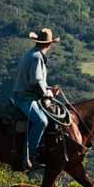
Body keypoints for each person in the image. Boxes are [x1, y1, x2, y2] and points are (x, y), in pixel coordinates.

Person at [12, 28, 60, 170]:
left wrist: (48, 88)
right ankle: (29, 156)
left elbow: (37, 81)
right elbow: (36, 81)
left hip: (27, 94)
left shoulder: (32, 54)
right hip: (25, 98)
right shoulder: (37, 57)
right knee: (41, 121)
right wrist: (47, 93)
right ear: (49, 44)